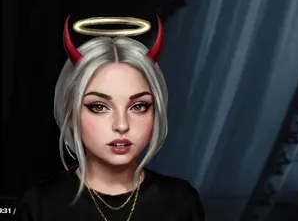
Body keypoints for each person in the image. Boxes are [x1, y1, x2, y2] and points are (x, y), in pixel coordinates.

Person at [17, 17, 203, 221]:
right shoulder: (40, 205)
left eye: (138, 106)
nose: (122, 125)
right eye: (99, 107)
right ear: (70, 113)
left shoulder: (181, 202)